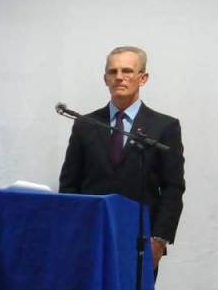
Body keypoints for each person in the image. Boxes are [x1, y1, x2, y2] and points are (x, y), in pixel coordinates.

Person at [59, 46, 185, 271]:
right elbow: (69, 184)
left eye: (127, 71)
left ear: (143, 78)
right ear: (105, 79)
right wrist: (72, 230)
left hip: (140, 240)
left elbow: (173, 188)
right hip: (90, 236)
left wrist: (159, 239)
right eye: (113, 71)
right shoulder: (85, 125)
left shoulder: (165, 127)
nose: (119, 77)